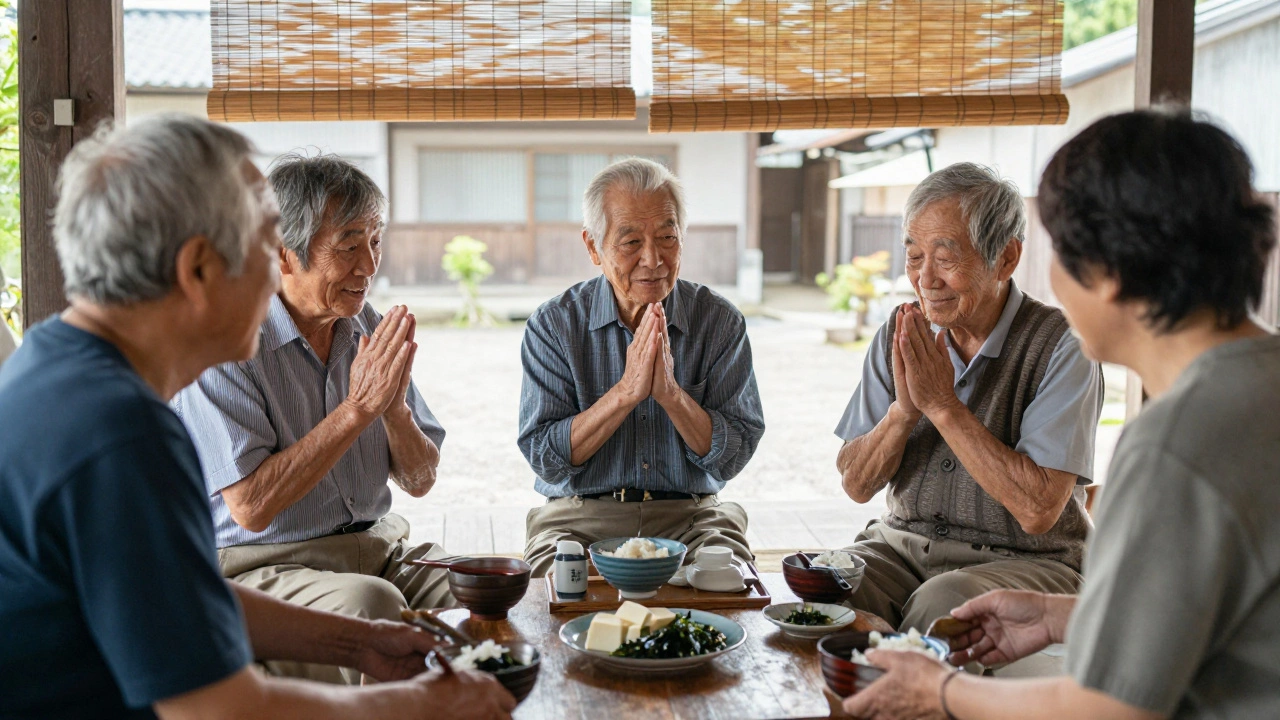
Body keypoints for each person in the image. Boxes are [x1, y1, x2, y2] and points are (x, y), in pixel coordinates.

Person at [0, 114, 514, 719]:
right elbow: (221, 710)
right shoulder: (119, 433)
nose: (277, 273)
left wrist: (364, 643)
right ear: (198, 269)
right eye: (265, 245)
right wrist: (422, 706)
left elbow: (183, 599)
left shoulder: (53, 365)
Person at [843, 109, 1280, 720]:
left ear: (1108, 271)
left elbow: (1111, 705)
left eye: (1062, 250)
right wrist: (1059, 617)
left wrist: (942, 692)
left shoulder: (1173, 444)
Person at [173, 153, 456, 684]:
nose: (369, 266)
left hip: (378, 546)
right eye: (348, 246)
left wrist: (393, 411)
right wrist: (356, 411)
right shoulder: (225, 342)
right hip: (262, 565)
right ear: (281, 254)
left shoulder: (364, 324)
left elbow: (421, 479)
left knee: (479, 591)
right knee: (372, 605)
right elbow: (251, 507)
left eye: (375, 242)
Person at [834, 162, 1104, 633]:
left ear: (1006, 258)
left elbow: (1039, 511)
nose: (925, 279)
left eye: (946, 257)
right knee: (828, 585)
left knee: (945, 603)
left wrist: (942, 406)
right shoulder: (900, 334)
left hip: (1030, 562)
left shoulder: (1063, 344)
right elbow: (856, 485)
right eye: (914, 256)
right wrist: (903, 412)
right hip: (900, 546)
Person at [518, 158, 765, 576]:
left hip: (692, 518)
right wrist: (626, 393)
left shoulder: (719, 321)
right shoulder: (555, 324)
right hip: (579, 518)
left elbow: (732, 457)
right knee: (553, 596)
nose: (653, 259)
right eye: (631, 242)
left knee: (729, 584)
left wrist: (670, 395)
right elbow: (546, 458)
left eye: (667, 237)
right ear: (594, 247)